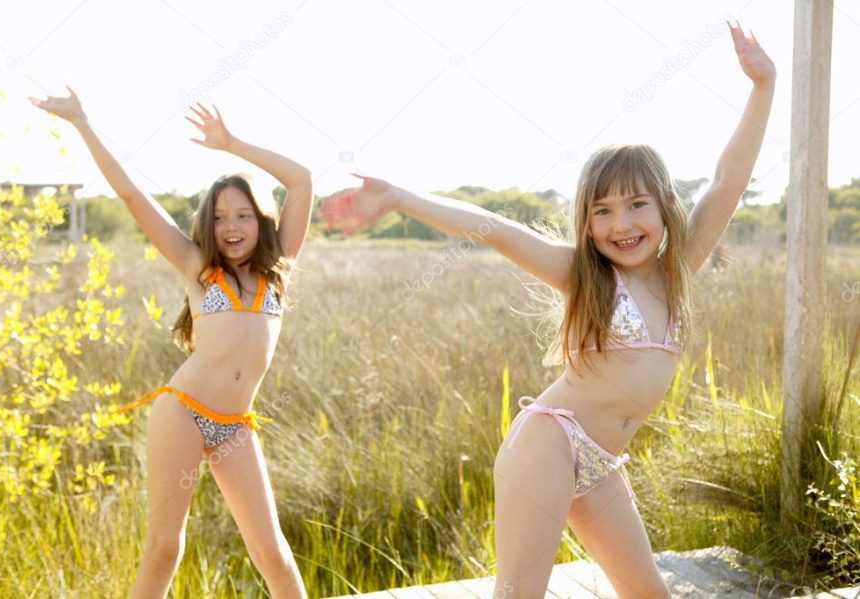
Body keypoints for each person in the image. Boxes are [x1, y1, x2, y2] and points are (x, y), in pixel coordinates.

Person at [320, 23, 775, 598]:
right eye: (602, 211)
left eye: (637, 205)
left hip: (601, 463)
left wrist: (763, 84)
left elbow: (728, 178)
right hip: (549, 443)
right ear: (586, 222)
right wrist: (396, 197)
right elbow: (499, 233)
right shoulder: (587, 278)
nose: (622, 224)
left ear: (665, 209)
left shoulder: (678, 270)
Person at [30, 91, 311, 598]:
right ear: (208, 224)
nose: (231, 227)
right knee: (165, 548)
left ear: (262, 220)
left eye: (243, 215)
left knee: (272, 554)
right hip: (182, 411)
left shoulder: (280, 272)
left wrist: (230, 144)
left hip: (235, 427)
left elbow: (302, 180)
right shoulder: (197, 269)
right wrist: (83, 123)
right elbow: (132, 195)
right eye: (221, 216)